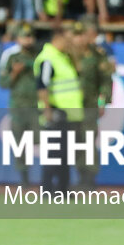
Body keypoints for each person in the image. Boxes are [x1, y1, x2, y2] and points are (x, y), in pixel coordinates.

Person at [33, 22, 86, 192]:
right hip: (56, 113)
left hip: (68, 115)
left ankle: (63, 190)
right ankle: (48, 190)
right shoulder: (48, 58)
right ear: (58, 37)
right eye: (68, 39)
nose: (70, 42)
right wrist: (48, 111)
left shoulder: (62, 57)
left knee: (65, 155)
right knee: (54, 155)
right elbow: (42, 85)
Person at [75, 20, 116, 190]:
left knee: (88, 141)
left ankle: (89, 178)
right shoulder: (68, 55)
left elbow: (105, 81)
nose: (78, 39)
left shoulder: (97, 55)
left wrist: (102, 102)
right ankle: (79, 176)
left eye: (81, 34)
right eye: (76, 35)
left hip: (90, 104)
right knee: (74, 142)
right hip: (70, 106)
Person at [0, 22, 39, 186]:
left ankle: (50, 177)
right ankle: (25, 179)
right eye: (24, 36)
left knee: (42, 139)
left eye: (30, 36)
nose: (28, 40)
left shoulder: (40, 54)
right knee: (21, 143)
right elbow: (3, 82)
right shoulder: (10, 55)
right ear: (17, 38)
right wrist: (14, 73)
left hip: (38, 105)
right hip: (19, 105)